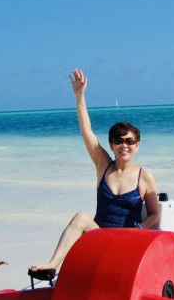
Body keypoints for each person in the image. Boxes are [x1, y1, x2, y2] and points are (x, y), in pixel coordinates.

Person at [28, 69, 159, 280]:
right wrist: (79, 95)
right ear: (111, 145)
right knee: (81, 217)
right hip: (98, 236)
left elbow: (154, 214)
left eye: (129, 141)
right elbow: (86, 130)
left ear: (137, 145)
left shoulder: (144, 177)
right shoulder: (103, 166)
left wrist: (139, 228)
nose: (124, 145)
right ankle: (52, 265)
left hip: (127, 240)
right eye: (118, 141)